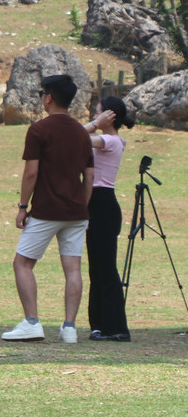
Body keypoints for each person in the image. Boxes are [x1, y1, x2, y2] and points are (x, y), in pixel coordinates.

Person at [2, 74, 95, 343]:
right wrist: (82, 206)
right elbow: (89, 178)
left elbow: (31, 173)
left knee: (23, 263)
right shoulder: (82, 132)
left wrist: (22, 206)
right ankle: (69, 328)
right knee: (73, 268)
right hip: (76, 212)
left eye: (42, 93)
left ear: (49, 97)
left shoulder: (39, 130)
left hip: (46, 210)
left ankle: (32, 321)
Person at [83, 95, 133, 342]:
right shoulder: (109, 140)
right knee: (97, 267)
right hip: (96, 204)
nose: (94, 114)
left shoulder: (111, 141)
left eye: (99, 112)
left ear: (110, 116)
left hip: (102, 204)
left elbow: (72, 138)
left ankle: (116, 327)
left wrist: (95, 124)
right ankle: (100, 325)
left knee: (106, 268)